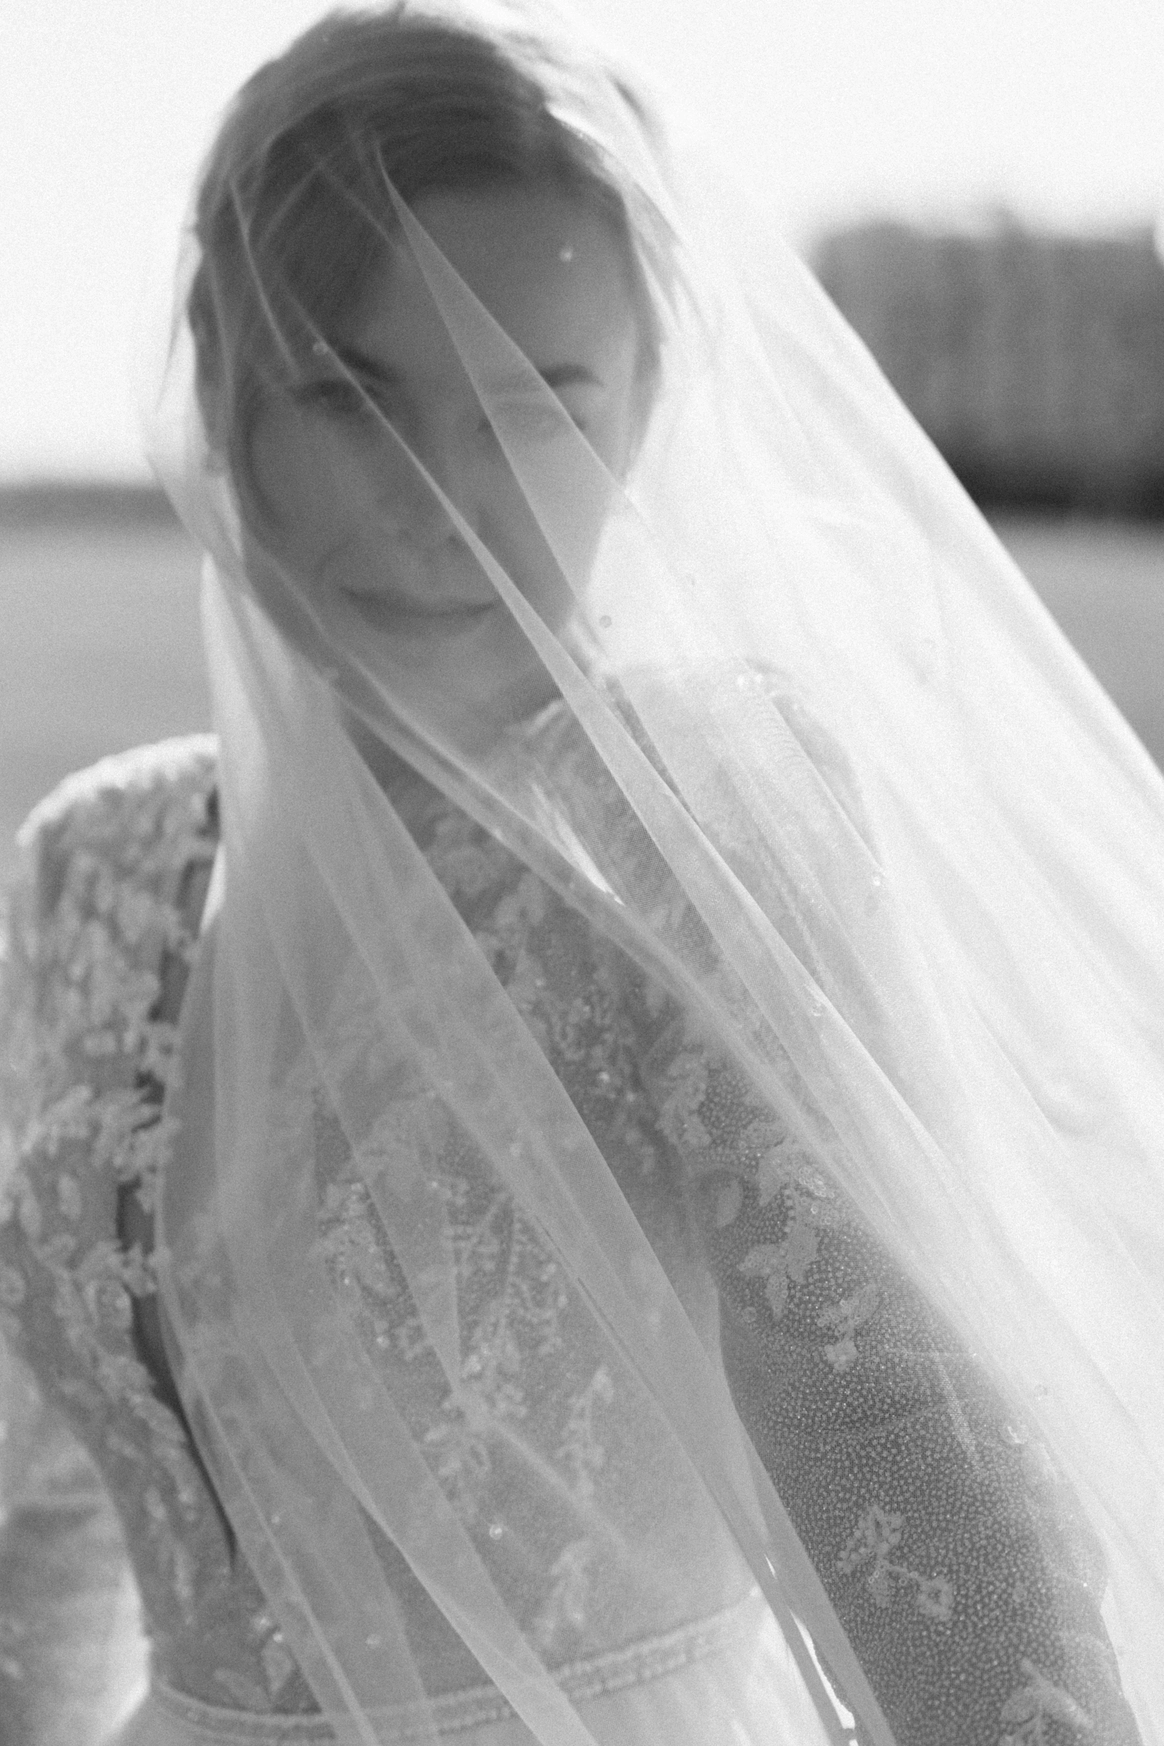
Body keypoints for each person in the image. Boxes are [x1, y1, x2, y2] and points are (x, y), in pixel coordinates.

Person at [2, 3, 1163, 1743]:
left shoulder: (694, 818)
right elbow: (52, 1512)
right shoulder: (99, 864)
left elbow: (891, 1424)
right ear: (222, 397)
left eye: (536, 402)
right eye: (347, 395)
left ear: (640, 417)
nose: (443, 497)